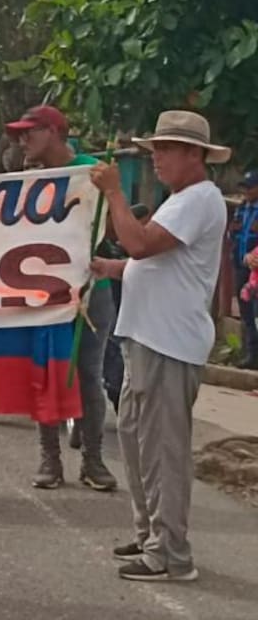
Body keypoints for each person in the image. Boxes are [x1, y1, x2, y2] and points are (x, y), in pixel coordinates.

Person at [89, 110, 229, 582]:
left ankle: (170, 554)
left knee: (162, 450)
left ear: (194, 154)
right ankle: (151, 533)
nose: (156, 158)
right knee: (136, 442)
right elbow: (151, 262)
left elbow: (140, 245)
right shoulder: (180, 200)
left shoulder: (200, 199)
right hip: (147, 336)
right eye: (156, 149)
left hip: (168, 342)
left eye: (166, 149)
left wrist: (114, 193)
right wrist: (109, 269)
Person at [0, 106, 118, 492]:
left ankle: (93, 460)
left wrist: (111, 191)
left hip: (91, 291)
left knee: (89, 375)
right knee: (46, 372)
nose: (22, 141)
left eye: (28, 132)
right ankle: (50, 459)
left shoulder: (92, 172)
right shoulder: (27, 182)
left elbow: (112, 224)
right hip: (42, 294)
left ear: (52, 131)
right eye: (18, 135)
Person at [97, 204, 153, 418]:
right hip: (107, 310)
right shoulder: (100, 244)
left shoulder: (118, 247)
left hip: (121, 312)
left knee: (115, 356)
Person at [228, 170, 258, 369]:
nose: (246, 191)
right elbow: (233, 234)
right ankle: (251, 355)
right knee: (247, 314)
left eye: (250, 187)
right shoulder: (241, 209)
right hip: (241, 267)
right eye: (244, 187)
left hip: (257, 271)